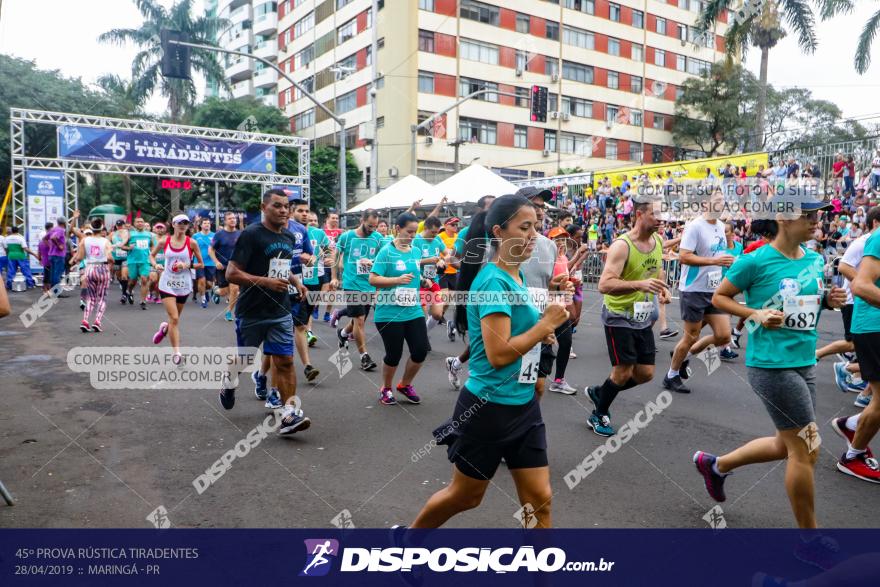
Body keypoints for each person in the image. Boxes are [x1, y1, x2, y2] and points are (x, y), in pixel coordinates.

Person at [408, 194, 568, 528]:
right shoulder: (493, 280)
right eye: (524, 227)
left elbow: (518, 331)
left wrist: (541, 332)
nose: (533, 235)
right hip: (487, 407)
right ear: (498, 231)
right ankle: (407, 542)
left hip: (523, 405)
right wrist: (544, 326)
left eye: (536, 227)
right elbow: (498, 355)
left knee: (540, 502)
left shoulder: (516, 276)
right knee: (465, 496)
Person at [696, 199, 847, 529]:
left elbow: (804, 302)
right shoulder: (755, 260)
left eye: (817, 216)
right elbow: (719, 298)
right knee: (807, 448)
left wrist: (826, 301)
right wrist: (756, 314)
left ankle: (716, 465)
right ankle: (809, 539)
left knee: (786, 443)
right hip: (771, 365)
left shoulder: (812, 258)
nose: (815, 222)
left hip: (805, 360)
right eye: (807, 216)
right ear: (783, 218)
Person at [219, 189, 310, 435]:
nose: (283, 210)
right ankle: (229, 380)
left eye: (286, 207)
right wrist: (266, 282)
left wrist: (296, 282)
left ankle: (289, 413)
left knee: (285, 361)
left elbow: (281, 267)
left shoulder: (289, 236)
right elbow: (231, 273)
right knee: (246, 359)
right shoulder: (251, 235)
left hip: (280, 309)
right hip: (251, 311)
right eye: (277, 206)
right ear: (264, 207)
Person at [585, 199, 670, 436]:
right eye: (655, 214)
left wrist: (662, 286)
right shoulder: (622, 245)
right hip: (618, 315)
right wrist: (640, 284)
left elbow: (656, 268)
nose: (661, 219)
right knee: (622, 371)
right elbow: (604, 284)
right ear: (640, 214)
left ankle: (601, 392)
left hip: (641, 315)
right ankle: (598, 414)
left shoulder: (658, 241)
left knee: (645, 373)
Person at [662, 191, 735, 394]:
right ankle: (671, 375)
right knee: (691, 336)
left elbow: (719, 254)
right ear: (705, 203)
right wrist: (714, 261)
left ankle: (683, 357)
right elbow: (684, 257)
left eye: (723, 201)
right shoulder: (694, 227)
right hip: (693, 289)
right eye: (717, 201)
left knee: (723, 336)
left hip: (714, 290)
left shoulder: (721, 226)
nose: (721, 204)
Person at [831, 217, 880, 482]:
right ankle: (853, 457)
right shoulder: (878, 238)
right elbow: (860, 284)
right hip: (874, 326)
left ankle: (851, 425)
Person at [369, 213, 430, 405]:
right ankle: (386, 388)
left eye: (414, 232)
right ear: (398, 229)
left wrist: (423, 281)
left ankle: (404, 384)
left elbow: (413, 274)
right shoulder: (386, 252)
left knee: (420, 350)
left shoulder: (415, 251)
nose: (412, 236)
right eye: (409, 232)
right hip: (389, 311)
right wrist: (396, 280)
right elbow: (373, 278)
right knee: (394, 354)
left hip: (413, 309)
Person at [332, 210, 382, 371]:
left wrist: (372, 262)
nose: (372, 229)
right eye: (370, 226)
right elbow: (335, 255)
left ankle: (343, 334)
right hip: (351, 283)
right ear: (362, 220)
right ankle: (364, 357)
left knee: (358, 320)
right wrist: (334, 277)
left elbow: (383, 258)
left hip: (369, 284)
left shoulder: (378, 238)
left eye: (375, 226)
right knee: (359, 320)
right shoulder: (347, 236)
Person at [151, 214, 203, 365]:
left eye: (185, 223)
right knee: (174, 318)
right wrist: (156, 265)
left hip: (183, 284)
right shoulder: (164, 241)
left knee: (174, 320)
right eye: (179, 223)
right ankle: (177, 354)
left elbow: (201, 264)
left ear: (188, 226)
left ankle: (164, 329)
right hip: (167, 282)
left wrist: (186, 265)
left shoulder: (192, 243)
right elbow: (152, 256)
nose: (182, 225)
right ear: (173, 224)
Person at [71, 218, 113, 332]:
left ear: (91, 228)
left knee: (91, 298)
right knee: (102, 298)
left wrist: (74, 262)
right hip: (103, 268)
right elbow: (109, 257)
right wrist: (111, 264)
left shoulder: (85, 240)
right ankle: (97, 322)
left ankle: (85, 321)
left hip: (89, 269)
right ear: (101, 228)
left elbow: (79, 257)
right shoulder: (106, 241)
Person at [412, 216, 446, 337]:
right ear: (425, 228)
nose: (435, 235)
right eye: (432, 232)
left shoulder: (437, 239)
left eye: (437, 232)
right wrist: (428, 260)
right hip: (419, 282)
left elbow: (447, 254)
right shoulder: (415, 240)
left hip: (434, 281)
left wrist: (442, 260)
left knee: (437, 314)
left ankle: (422, 334)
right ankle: (421, 338)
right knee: (422, 314)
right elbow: (410, 261)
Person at [303, 211, 331, 346]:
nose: (312, 222)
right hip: (296, 273)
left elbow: (330, 248)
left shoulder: (319, 233)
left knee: (308, 303)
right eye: (310, 220)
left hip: (315, 272)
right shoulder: (295, 231)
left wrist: (328, 257)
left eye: (315, 220)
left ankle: (308, 332)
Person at [209, 212, 241, 322]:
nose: (233, 220)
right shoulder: (219, 234)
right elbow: (211, 249)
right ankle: (215, 291)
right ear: (225, 221)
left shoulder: (239, 234)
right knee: (224, 292)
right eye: (230, 218)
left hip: (235, 267)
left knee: (235, 290)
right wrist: (216, 262)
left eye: (234, 218)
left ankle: (228, 312)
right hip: (222, 267)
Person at [718, 222, 743, 361]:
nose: (723, 234)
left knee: (725, 315)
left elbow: (742, 264)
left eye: (726, 231)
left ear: (733, 233)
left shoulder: (739, 247)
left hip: (731, 285)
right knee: (724, 314)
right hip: (716, 285)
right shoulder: (718, 248)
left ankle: (724, 347)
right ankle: (725, 347)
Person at [124, 216, 158, 310]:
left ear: (144, 223)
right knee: (132, 281)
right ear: (134, 224)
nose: (140, 223)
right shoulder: (130, 234)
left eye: (141, 222)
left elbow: (151, 246)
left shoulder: (149, 235)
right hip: (132, 261)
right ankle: (129, 291)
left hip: (145, 261)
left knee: (144, 279)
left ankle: (143, 301)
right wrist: (128, 248)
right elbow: (122, 246)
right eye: (138, 222)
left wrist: (151, 254)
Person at [439, 217, 461, 341]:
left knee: (449, 299)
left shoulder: (458, 237)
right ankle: (435, 315)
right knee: (446, 296)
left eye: (456, 224)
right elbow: (437, 250)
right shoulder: (440, 237)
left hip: (454, 271)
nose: (455, 227)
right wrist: (440, 260)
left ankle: (440, 314)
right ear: (446, 225)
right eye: (452, 224)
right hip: (442, 272)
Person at [320, 211, 344, 322]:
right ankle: (315, 306)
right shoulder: (322, 232)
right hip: (323, 264)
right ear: (327, 219)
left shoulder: (341, 233)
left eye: (337, 218)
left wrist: (340, 261)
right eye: (333, 218)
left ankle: (327, 313)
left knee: (333, 290)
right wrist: (324, 257)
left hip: (334, 264)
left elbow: (342, 249)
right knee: (325, 288)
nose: (335, 220)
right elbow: (317, 247)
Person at [4, 226, 38, 290]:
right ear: (18, 231)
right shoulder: (21, 238)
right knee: (25, 270)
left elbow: (6, 249)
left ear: (12, 231)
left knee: (11, 271)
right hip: (20, 255)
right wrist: (34, 254)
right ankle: (30, 284)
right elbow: (25, 248)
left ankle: (9, 285)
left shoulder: (7, 238)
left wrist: (9, 254)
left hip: (11, 255)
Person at [193, 218, 216, 308]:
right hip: (199, 262)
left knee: (209, 284)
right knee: (201, 280)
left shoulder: (214, 236)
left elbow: (217, 248)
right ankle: (203, 300)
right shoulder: (195, 236)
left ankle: (206, 292)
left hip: (211, 262)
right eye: (205, 223)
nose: (207, 224)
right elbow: (191, 247)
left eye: (208, 223)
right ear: (201, 225)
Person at [110, 220, 131, 304]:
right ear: (116, 226)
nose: (120, 227)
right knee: (118, 276)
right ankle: (127, 290)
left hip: (126, 258)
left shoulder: (127, 233)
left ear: (124, 225)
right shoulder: (112, 234)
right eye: (118, 225)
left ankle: (124, 294)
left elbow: (126, 241)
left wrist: (120, 245)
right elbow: (106, 242)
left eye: (121, 225)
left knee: (124, 275)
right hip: (116, 259)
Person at [45, 217, 67, 291]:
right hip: (58, 255)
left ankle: (52, 291)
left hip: (51, 254)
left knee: (53, 274)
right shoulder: (60, 230)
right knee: (57, 274)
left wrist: (50, 246)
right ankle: (56, 292)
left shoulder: (53, 229)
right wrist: (59, 245)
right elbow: (53, 238)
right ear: (64, 223)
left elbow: (44, 238)